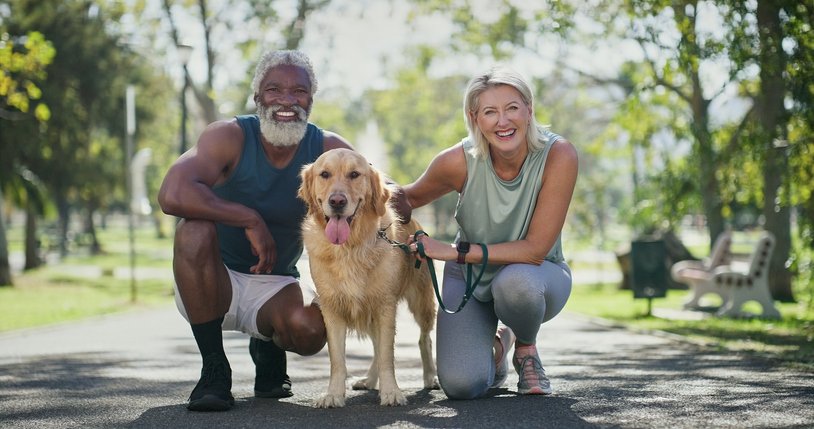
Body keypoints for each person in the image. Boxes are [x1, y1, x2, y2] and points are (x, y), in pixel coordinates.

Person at [158, 50, 352, 411]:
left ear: (311, 99)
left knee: (310, 331)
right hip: (212, 279)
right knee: (193, 230)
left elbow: (377, 193)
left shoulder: (326, 149)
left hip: (274, 284)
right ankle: (214, 368)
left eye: (299, 91)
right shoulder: (229, 136)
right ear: (257, 97)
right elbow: (171, 193)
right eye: (274, 89)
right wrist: (247, 218)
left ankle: (268, 344)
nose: (287, 100)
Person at [404, 66, 578, 399]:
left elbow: (534, 250)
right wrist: (350, 185)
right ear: (474, 118)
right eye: (489, 112)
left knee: (516, 283)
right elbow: (406, 198)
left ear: (529, 110)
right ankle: (500, 348)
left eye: (512, 108)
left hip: (538, 277)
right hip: (470, 277)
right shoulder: (457, 161)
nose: (503, 121)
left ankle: (525, 347)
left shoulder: (559, 155)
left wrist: (452, 251)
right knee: (461, 385)